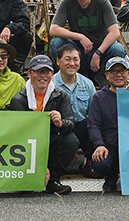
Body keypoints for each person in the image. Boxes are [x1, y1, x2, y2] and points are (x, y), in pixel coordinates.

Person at [11, 55, 79, 195]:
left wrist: (60, 123)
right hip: (26, 145)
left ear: (52, 74)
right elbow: (20, 134)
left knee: (71, 140)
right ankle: (30, 176)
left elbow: (71, 123)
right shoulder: (19, 99)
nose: (43, 76)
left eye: (46, 72)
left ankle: (53, 179)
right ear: (29, 73)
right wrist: (40, 166)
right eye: (38, 71)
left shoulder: (60, 94)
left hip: (50, 140)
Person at [49, 0, 127, 85]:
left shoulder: (102, 2)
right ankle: (67, 80)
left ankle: (106, 82)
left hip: (100, 51)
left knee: (118, 49)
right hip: (77, 51)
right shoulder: (67, 2)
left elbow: (115, 32)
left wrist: (98, 53)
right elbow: (53, 29)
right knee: (56, 43)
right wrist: (80, 37)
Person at [51, 44, 97, 177]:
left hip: (79, 127)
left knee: (91, 122)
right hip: (58, 129)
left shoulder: (87, 84)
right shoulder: (51, 84)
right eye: (67, 59)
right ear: (58, 61)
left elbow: (94, 113)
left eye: (75, 59)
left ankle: (89, 161)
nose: (72, 63)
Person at [88, 56, 129, 192]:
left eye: (122, 71)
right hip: (110, 145)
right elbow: (93, 124)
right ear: (106, 75)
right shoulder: (99, 97)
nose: (118, 75)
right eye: (113, 71)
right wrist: (99, 144)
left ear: (128, 74)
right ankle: (110, 177)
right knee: (101, 164)